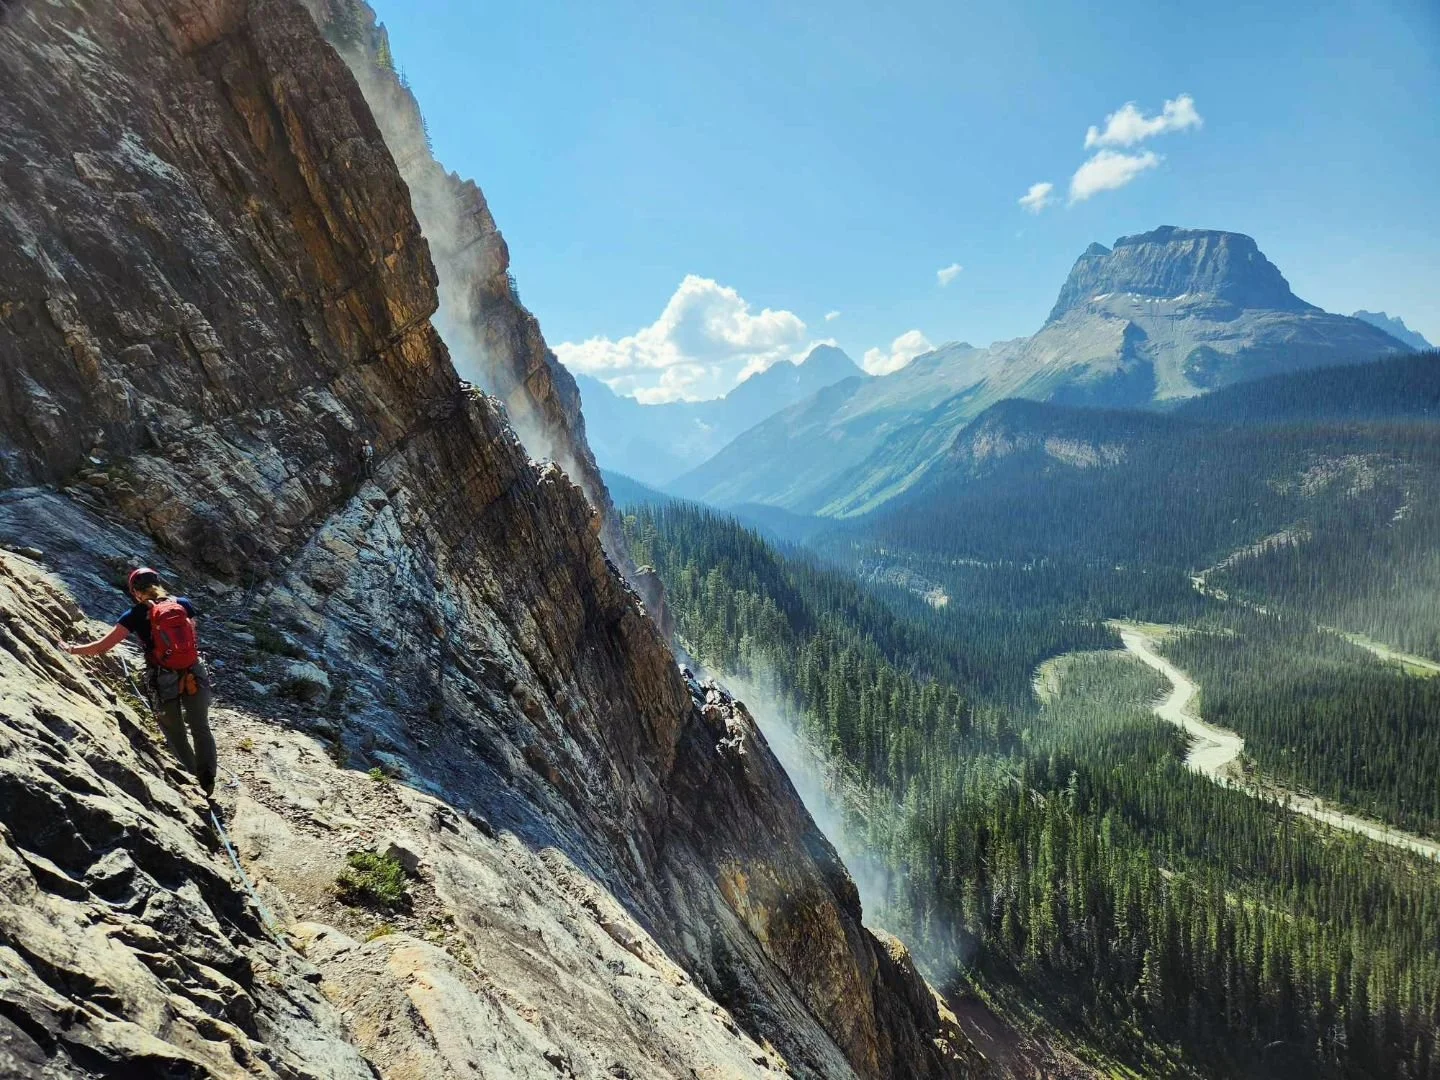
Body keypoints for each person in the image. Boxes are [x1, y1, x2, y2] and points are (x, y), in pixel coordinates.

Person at [65, 567, 217, 794]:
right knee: (200, 726)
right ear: (159, 584)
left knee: (175, 731)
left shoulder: (133, 615)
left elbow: (102, 647)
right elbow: (192, 635)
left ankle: (193, 778)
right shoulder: (182, 604)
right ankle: (208, 778)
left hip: (161, 677)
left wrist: (72, 649)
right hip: (193, 671)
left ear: (136, 592)